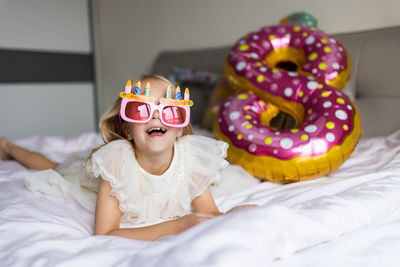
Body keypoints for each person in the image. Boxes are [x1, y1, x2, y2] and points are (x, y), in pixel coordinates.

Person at [0, 75, 257, 241]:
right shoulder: (116, 162)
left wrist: (234, 214)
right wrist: (179, 226)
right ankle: (9, 147)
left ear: (180, 128)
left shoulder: (192, 158)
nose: (155, 117)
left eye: (169, 111)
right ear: (127, 130)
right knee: (57, 168)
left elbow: (209, 213)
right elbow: (105, 233)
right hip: (92, 175)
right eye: (142, 110)